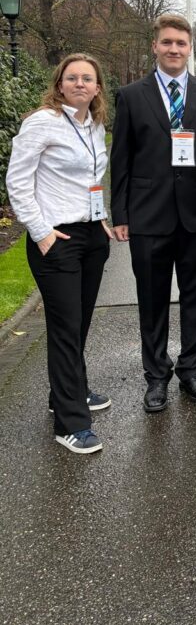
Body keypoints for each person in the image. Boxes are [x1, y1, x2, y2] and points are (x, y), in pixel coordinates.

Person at [111, 12, 196, 413]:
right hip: (148, 215)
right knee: (153, 299)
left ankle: (190, 370)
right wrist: (120, 212)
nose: (174, 49)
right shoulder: (130, 95)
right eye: (167, 42)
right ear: (155, 46)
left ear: (189, 47)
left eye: (181, 43)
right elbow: (120, 159)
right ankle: (156, 376)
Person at [7, 54, 113, 454]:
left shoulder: (94, 125)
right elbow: (17, 181)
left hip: (90, 236)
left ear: (97, 87)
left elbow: (91, 179)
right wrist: (40, 231)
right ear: (60, 83)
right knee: (65, 328)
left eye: (88, 78)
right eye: (73, 78)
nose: (81, 83)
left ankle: (67, 393)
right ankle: (70, 424)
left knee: (80, 322)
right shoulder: (42, 123)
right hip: (56, 239)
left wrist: (100, 217)